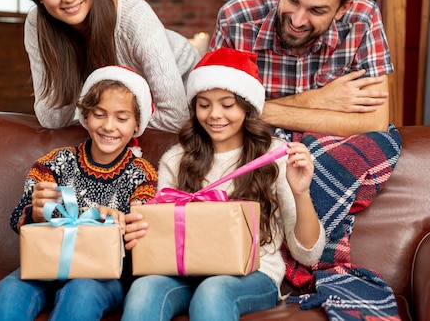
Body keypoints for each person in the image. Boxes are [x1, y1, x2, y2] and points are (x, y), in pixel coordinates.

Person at [121, 48, 326, 321]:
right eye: (204, 104)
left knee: (213, 290)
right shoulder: (176, 159)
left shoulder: (275, 158)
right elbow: (163, 239)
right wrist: (140, 230)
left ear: (246, 106)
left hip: (253, 273)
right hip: (186, 271)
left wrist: (300, 193)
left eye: (227, 104)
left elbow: (308, 254)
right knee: (144, 288)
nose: (214, 115)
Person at [0, 66, 158, 321]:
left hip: (104, 274)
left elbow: (142, 235)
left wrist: (120, 223)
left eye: (122, 118)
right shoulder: (55, 162)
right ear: (86, 116)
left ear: (137, 124)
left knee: (82, 290)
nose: (109, 126)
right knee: (10, 288)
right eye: (99, 114)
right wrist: (36, 211)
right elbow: (17, 220)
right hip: (47, 263)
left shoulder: (141, 173)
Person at [212, 0, 393, 138]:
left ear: (343, 8)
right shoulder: (236, 20)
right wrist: (317, 99)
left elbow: (374, 123)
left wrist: (255, 112)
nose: (297, 21)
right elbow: (215, 114)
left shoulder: (363, 19)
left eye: (317, 10)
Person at [22, 0, 200, 133]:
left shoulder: (134, 16)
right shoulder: (37, 25)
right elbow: (51, 119)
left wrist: (111, 123)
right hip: (129, 109)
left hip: (186, 87)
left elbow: (176, 118)